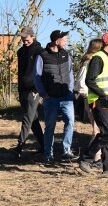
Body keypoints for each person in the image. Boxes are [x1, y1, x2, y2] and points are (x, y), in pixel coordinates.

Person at [79, 31, 108, 176]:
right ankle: (86, 159)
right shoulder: (98, 58)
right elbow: (89, 80)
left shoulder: (107, 58)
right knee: (106, 134)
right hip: (101, 101)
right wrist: (102, 94)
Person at [33, 29, 76, 164]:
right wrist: (43, 93)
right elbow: (37, 76)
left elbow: (70, 74)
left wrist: (70, 90)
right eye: (65, 39)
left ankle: (66, 150)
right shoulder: (42, 55)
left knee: (70, 122)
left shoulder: (66, 54)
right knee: (50, 126)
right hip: (50, 98)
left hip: (66, 97)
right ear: (57, 41)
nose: (66, 41)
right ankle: (48, 154)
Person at [14, 27, 44, 159]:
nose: (24, 41)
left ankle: (19, 146)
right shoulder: (20, 51)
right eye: (22, 39)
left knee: (27, 118)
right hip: (22, 88)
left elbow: (41, 71)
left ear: (33, 36)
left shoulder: (39, 51)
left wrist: (37, 88)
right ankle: (44, 145)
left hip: (33, 89)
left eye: (26, 39)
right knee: (33, 119)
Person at [75, 38, 104, 164]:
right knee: (96, 129)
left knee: (97, 128)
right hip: (90, 98)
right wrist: (86, 95)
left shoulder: (88, 60)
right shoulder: (90, 61)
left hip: (90, 97)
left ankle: (95, 156)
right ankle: (94, 157)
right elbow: (81, 82)